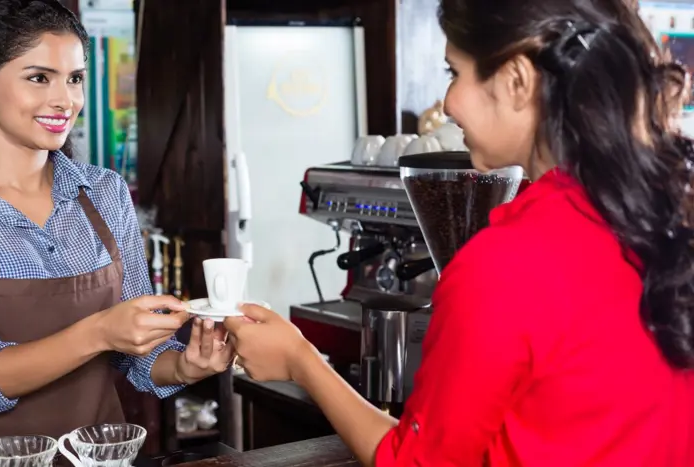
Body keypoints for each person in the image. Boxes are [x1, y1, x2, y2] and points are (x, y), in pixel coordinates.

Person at [225, 0, 694, 465]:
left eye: (454, 73)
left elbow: (415, 462)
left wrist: (300, 362)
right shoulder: (662, 216)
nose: (447, 104)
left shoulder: (505, 261)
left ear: (516, 81)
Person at [0, 1, 233, 465]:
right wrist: (99, 332)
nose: (65, 99)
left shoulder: (105, 193)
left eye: (74, 78)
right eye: (39, 77)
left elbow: (141, 356)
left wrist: (188, 364)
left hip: (95, 458)